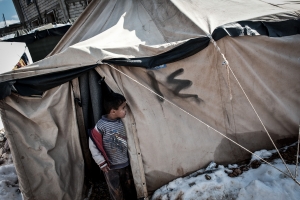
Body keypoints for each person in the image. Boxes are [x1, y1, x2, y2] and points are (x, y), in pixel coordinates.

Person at [88, 93, 137, 200]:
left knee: (129, 188)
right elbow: (93, 144)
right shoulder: (101, 125)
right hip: (110, 167)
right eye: (123, 108)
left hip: (125, 164)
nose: (126, 110)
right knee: (116, 191)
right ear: (113, 111)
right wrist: (101, 162)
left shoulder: (122, 121)